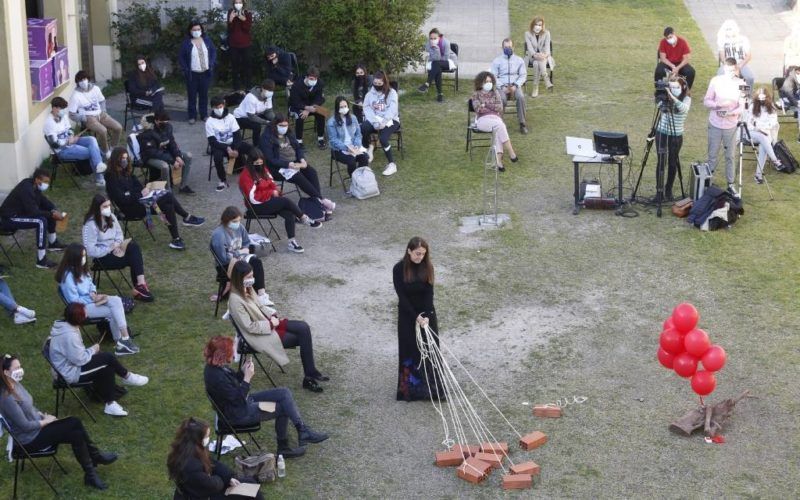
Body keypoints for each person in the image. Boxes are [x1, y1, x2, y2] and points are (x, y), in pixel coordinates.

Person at [0, 354, 117, 490]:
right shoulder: (6, 398)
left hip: (37, 429)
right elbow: (25, 426)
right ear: (6, 372)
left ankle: (91, 472)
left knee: (76, 433)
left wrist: (42, 415)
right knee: (73, 423)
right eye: (17, 368)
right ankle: (95, 459)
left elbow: (29, 407)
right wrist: (47, 421)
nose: (20, 370)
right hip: (28, 440)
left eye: (20, 366)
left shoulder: (15, 384)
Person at [204, 336, 328, 458]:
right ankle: (285, 446)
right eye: (230, 352)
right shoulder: (217, 377)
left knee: (284, 393)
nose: (233, 354)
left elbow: (232, 386)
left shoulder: (215, 367)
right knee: (283, 407)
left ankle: (302, 430)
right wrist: (247, 378)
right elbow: (238, 398)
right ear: (221, 355)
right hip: (239, 414)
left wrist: (242, 372)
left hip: (238, 405)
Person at [228, 260, 328, 393]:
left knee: (303, 327)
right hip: (258, 335)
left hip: (268, 323)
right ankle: (309, 378)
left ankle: (311, 372)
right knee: (301, 337)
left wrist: (273, 314)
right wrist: (270, 324)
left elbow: (261, 306)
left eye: (252, 276)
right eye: (248, 277)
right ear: (239, 278)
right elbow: (249, 327)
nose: (251, 280)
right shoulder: (235, 300)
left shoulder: (247, 288)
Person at [49, 303, 148, 417]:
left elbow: (76, 355)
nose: (87, 315)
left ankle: (111, 404)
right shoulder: (69, 335)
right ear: (79, 318)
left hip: (70, 366)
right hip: (69, 373)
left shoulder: (66, 327)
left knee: (107, 365)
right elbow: (80, 360)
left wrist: (92, 351)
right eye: (85, 313)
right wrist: (93, 349)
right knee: (107, 358)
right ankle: (127, 377)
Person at [105, 147, 205, 251]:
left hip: (141, 202)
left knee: (168, 205)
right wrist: (137, 194)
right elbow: (123, 199)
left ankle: (176, 239)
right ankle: (186, 217)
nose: (124, 161)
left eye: (126, 158)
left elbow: (138, 187)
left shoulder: (127, 172)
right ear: (116, 160)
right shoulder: (111, 178)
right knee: (167, 196)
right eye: (122, 158)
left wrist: (138, 192)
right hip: (130, 210)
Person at [56, 243, 140, 355]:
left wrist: (94, 294)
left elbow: (91, 284)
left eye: (85, 255)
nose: (84, 259)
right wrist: (93, 299)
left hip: (91, 301)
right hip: (80, 309)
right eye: (82, 256)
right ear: (73, 258)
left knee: (116, 301)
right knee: (114, 309)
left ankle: (123, 340)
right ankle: (122, 341)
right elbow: (73, 301)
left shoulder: (82, 270)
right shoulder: (67, 277)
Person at [238, 149, 321, 254]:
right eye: (256, 163)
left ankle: (292, 242)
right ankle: (304, 218)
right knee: (285, 201)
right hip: (256, 206)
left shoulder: (263, 169)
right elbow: (252, 198)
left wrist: (274, 191)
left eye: (261, 163)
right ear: (251, 163)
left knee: (289, 213)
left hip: (268, 201)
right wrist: (270, 193)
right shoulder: (246, 176)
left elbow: (271, 182)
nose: (259, 165)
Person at [393, 237, 442, 402]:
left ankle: (431, 389)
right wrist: (416, 317)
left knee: (429, 350)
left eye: (423, 254)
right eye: (417, 253)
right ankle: (410, 390)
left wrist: (426, 316)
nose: (420, 257)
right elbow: (402, 296)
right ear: (409, 251)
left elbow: (429, 293)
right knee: (410, 349)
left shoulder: (428, 267)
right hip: (408, 315)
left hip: (426, 315)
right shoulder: (398, 269)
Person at [167, 417, 265, 500]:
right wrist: (223, 479)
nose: (208, 438)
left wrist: (229, 477)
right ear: (197, 439)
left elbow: (212, 462)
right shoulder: (190, 466)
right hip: (203, 495)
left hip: (205, 490)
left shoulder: (189, 449)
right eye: (206, 436)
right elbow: (213, 485)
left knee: (250, 483)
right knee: (253, 492)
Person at [82, 194, 154, 301]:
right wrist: (110, 248)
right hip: (102, 257)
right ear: (97, 208)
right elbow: (90, 250)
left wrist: (118, 244)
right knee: (133, 258)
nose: (108, 209)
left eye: (109, 205)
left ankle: (140, 284)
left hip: (116, 250)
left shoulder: (111, 217)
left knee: (133, 247)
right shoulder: (90, 225)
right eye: (105, 206)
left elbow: (119, 234)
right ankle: (139, 289)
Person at [260, 115, 335, 213]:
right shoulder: (266, 138)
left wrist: (302, 159)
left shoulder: (289, 133)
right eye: (281, 125)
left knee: (311, 172)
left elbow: (298, 148)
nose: (284, 128)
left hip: (293, 162)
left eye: (286, 125)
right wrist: (288, 164)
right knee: (297, 176)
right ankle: (321, 200)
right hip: (276, 168)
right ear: (275, 125)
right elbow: (271, 159)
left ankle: (317, 200)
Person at [0, 168, 66, 269]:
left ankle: (53, 244)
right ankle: (41, 260)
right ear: (37, 180)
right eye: (45, 182)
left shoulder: (34, 186)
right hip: (9, 219)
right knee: (41, 221)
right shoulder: (26, 189)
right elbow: (33, 212)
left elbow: (43, 200)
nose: (46, 184)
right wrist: (52, 214)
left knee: (49, 212)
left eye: (48, 182)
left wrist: (53, 209)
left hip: (19, 214)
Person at [211, 206, 272, 305]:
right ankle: (259, 295)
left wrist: (244, 251)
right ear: (227, 220)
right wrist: (239, 253)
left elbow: (246, 242)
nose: (238, 224)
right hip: (227, 264)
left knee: (256, 261)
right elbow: (223, 258)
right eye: (235, 221)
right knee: (255, 263)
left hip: (240, 258)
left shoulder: (240, 227)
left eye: (239, 221)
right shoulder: (218, 235)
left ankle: (261, 294)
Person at [44, 96, 108, 187]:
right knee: (92, 151)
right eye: (61, 109)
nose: (63, 111)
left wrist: (71, 136)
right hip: (62, 151)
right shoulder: (49, 123)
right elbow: (54, 144)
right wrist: (68, 142)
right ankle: (100, 178)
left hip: (71, 142)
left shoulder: (62, 116)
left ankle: (99, 165)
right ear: (54, 108)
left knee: (92, 139)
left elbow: (69, 129)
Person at [704, 57, 744, 195]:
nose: (730, 73)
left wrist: (731, 113)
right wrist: (717, 105)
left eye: (733, 70)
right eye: (728, 70)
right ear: (723, 68)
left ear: (736, 69)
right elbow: (706, 101)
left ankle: (731, 184)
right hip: (715, 123)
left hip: (731, 125)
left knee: (730, 156)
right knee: (712, 154)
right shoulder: (715, 81)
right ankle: (707, 183)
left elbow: (743, 106)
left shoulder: (742, 83)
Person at [138, 110, 195, 194]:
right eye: (163, 121)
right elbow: (153, 152)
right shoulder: (148, 132)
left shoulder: (168, 127)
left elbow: (171, 143)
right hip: (150, 157)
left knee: (188, 156)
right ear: (156, 121)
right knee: (164, 166)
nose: (166, 123)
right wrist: (172, 160)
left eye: (167, 121)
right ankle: (168, 191)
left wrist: (177, 156)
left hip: (165, 153)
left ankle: (183, 186)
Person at [471, 72, 518, 172]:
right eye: (486, 81)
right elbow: (478, 109)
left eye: (490, 81)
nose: (488, 83)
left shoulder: (495, 92)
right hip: (482, 120)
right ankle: (511, 152)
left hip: (496, 118)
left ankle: (498, 162)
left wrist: (485, 105)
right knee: (500, 125)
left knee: (498, 130)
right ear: (481, 83)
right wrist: (491, 107)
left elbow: (500, 108)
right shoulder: (476, 94)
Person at [68, 70, 123, 156]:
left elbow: (102, 101)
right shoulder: (75, 95)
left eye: (84, 79)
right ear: (77, 83)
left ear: (88, 79)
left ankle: (113, 148)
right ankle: (106, 152)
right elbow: (71, 114)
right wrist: (83, 118)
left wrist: (103, 111)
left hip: (101, 114)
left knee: (118, 127)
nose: (83, 82)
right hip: (89, 118)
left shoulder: (95, 89)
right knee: (103, 130)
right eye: (80, 80)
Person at [655, 76, 692, 201]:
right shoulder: (665, 97)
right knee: (661, 161)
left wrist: (673, 98)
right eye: (672, 87)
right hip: (662, 132)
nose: (674, 89)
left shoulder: (687, 99)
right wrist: (664, 97)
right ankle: (659, 191)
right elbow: (660, 106)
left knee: (672, 162)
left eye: (677, 87)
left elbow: (683, 109)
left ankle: (668, 189)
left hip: (676, 135)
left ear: (683, 87)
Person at [207, 95, 253, 192]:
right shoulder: (209, 122)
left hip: (233, 143)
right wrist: (227, 148)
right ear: (213, 108)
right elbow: (212, 141)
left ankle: (254, 173)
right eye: (217, 107)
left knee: (253, 151)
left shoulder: (230, 117)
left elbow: (237, 135)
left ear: (223, 106)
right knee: (217, 158)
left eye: (220, 107)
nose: (219, 109)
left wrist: (236, 149)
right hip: (219, 146)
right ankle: (222, 180)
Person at [361, 70, 401, 176]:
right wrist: (374, 122)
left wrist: (384, 121)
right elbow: (367, 108)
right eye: (375, 83)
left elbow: (392, 110)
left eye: (379, 84)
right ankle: (369, 147)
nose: (377, 85)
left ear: (384, 82)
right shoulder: (369, 94)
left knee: (383, 138)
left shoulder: (392, 93)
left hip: (390, 120)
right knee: (363, 127)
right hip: (375, 120)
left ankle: (392, 164)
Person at [179, 20, 217, 124]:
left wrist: (212, 63)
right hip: (192, 74)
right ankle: (192, 116)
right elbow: (181, 57)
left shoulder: (207, 40)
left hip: (205, 73)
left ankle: (204, 114)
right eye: (194, 29)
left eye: (198, 29)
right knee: (192, 96)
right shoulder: (186, 43)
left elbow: (213, 52)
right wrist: (186, 69)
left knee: (203, 95)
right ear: (190, 31)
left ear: (201, 30)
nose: (196, 31)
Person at [491, 38, 528, 134]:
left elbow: (523, 75)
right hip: (502, 86)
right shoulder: (497, 61)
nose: (508, 49)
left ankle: (522, 124)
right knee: (501, 99)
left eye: (510, 47)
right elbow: (493, 76)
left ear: (513, 47)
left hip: (515, 85)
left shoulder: (519, 60)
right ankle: (499, 124)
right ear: (502, 48)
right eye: (506, 47)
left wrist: (516, 85)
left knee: (521, 97)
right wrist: (502, 86)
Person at [327, 96, 370, 177]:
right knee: (351, 161)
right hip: (339, 149)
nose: (344, 108)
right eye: (341, 107)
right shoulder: (331, 122)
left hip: (353, 146)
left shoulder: (353, 118)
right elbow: (333, 140)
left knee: (364, 157)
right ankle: (354, 179)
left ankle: (360, 178)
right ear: (337, 108)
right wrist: (348, 148)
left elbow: (358, 134)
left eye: (345, 106)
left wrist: (356, 145)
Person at [748, 88, 782, 184]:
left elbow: (773, 123)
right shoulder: (752, 106)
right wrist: (758, 128)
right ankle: (775, 160)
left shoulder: (771, 107)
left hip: (766, 133)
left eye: (764, 99)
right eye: (760, 99)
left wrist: (763, 128)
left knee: (764, 144)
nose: (762, 101)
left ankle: (758, 175)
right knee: (763, 138)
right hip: (752, 133)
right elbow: (749, 124)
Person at [288, 67, 327, 148]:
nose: (314, 80)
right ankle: (299, 141)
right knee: (300, 116)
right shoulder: (297, 85)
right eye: (312, 78)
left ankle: (321, 138)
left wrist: (309, 109)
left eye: (316, 78)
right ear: (306, 77)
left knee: (323, 112)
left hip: (312, 105)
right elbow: (295, 101)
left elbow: (320, 99)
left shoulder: (320, 83)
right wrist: (306, 108)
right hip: (298, 106)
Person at [417, 28, 457, 102]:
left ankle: (427, 83)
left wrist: (437, 49)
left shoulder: (446, 42)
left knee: (436, 64)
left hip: (449, 61)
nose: (432, 40)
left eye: (435, 38)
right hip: (436, 62)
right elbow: (433, 58)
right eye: (431, 38)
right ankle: (440, 95)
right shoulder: (428, 44)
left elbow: (445, 58)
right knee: (437, 67)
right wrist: (435, 50)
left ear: (439, 37)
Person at [233, 79, 276, 146]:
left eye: (271, 90)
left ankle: (269, 140)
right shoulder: (251, 97)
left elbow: (268, 111)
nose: (270, 92)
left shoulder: (268, 96)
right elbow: (251, 116)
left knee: (274, 121)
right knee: (257, 126)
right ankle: (256, 146)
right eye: (268, 90)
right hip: (240, 118)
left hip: (256, 114)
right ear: (263, 88)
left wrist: (275, 119)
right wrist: (265, 122)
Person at [716, 20, 754, 88]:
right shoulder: (722, 40)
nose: (729, 31)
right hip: (727, 65)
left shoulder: (744, 39)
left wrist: (740, 65)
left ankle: (746, 96)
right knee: (720, 76)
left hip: (741, 64)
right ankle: (720, 96)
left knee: (749, 77)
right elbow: (722, 56)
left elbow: (749, 56)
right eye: (727, 29)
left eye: (731, 29)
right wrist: (729, 66)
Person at [227, 1, 253, 91]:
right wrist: (231, 19)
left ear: (243, 3)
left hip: (246, 44)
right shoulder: (231, 12)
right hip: (234, 44)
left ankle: (248, 86)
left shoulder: (247, 13)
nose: (238, 4)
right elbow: (230, 29)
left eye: (239, 2)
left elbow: (247, 28)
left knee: (248, 65)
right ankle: (236, 87)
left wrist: (243, 19)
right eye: (236, 2)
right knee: (235, 66)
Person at [524, 16, 554, 97]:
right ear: (533, 24)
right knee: (536, 61)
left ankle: (535, 87)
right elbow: (530, 48)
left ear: (542, 26)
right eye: (536, 24)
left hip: (544, 57)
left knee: (536, 64)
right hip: (532, 57)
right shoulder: (527, 34)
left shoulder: (547, 33)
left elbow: (547, 48)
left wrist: (543, 55)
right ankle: (546, 78)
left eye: (540, 25)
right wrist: (535, 55)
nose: (538, 26)